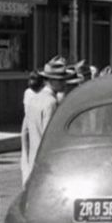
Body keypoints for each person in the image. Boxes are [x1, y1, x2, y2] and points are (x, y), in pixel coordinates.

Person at [20, 56, 71, 185]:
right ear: (50, 81)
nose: (64, 84)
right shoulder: (51, 102)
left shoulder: (33, 100)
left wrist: (25, 159)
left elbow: (24, 132)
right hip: (45, 163)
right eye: (60, 80)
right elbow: (49, 137)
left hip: (32, 162)